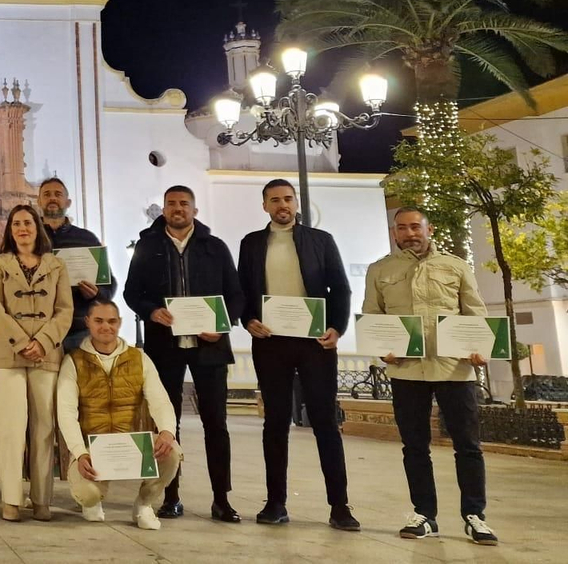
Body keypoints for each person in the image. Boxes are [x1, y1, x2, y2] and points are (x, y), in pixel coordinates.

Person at [364, 208, 497, 546]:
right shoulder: (380, 270)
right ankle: (424, 514)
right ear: (394, 233)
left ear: (429, 229)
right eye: (402, 228)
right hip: (407, 370)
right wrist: (382, 349)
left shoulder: (456, 266)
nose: (410, 233)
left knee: (468, 445)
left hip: (455, 369)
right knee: (414, 446)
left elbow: (474, 311)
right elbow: (373, 315)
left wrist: (480, 347)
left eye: (415, 226)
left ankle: (475, 516)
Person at [236, 178, 358, 530]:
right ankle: (275, 503)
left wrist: (337, 328)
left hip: (314, 343)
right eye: (274, 200)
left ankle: (340, 507)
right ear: (265, 206)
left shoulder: (321, 241)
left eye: (287, 198)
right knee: (274, 423)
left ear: (296, 203)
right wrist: (248, 320)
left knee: (325, 423)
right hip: (271, 342)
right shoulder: (252, 243)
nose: (282, 205)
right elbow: (243, 289)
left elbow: (341, 287)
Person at [122, 185, 244, 523]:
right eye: (171, 204)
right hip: (166, 347)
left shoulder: (215, 247)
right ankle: (170, 496)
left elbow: (235, 294)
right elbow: (133, 292)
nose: (178, 209)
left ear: (194, 209)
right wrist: (152, 311)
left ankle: (222, 499)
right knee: (166, 424)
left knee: (216, 424)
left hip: (210, 347)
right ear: (163, 209)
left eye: (184, 204)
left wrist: (223, 325)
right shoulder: (148, 246)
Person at [56, 301, 182, 531]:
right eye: (99, 321)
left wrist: (166, 431)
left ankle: (144, 504)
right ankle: (93, 501)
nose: (106, 327)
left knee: (172, 451)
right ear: (88, 323)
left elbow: (160, 400)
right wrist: (80, 453)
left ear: (120, 323)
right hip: (92, 450)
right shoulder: (73, 361)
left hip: (130, 445)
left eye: (112, 321)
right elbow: (65, 412)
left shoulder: (139, 358)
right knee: (88, 495)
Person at [0, 203, 72, 522]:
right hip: (8, 352)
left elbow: (64, 310)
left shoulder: (57, 265)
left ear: (38, 228)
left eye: (28, 223)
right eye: (17, 224)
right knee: (11, 426)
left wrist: (44, 342)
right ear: (10, 230)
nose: (23, 229)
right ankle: (11, 499)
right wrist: (23, 341)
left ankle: (42, 499)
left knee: (44, 427)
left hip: (46, 353)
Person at [38, 177, 112, 352]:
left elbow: (108, 285)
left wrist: (96, 293)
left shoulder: (87, 238)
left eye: (58, 194)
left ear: (68, 202)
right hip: (40, 329)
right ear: (39, 201)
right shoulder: (29, 238)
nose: (52, 198)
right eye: (47, 194)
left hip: (78, 328)